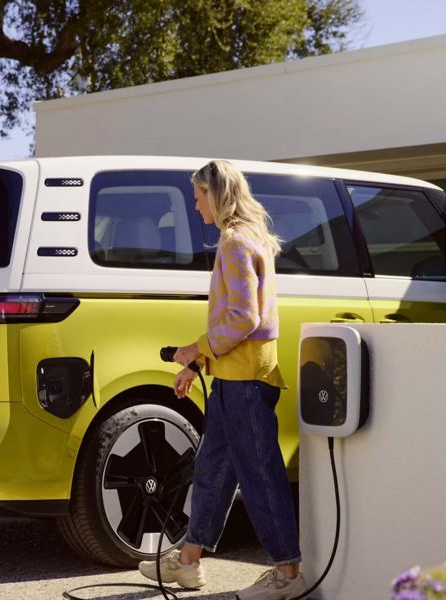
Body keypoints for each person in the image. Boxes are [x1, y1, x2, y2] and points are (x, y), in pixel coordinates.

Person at [138, 160, 306, 599]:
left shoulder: (233, 243)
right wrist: (198, 363)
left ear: (216, 194)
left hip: (244, 383)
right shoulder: (250, 239)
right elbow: (243, 320)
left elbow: (245, 318)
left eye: (197, 196)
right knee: (212, 471)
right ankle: (189, 564)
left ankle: (288, 576)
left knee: (260, 477)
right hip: (241, 378)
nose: (194, 206)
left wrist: (197, 349)